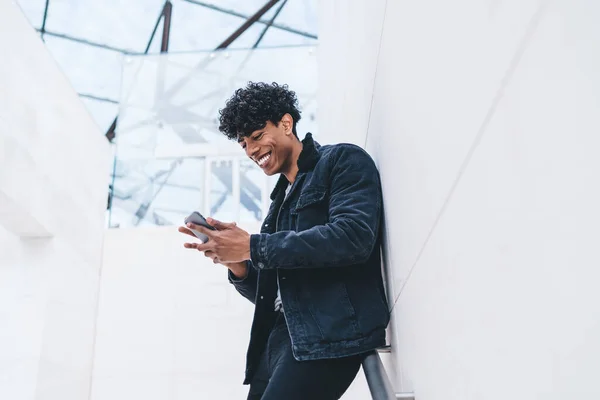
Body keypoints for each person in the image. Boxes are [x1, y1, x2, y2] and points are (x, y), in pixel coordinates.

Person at [178, 82, 389, 400]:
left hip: (325, 334)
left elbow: (353, 238)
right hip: (277, 342)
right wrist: (239, 266)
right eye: (244, 143)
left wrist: (252, 246)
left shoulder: (342, 161)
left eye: (257, 136)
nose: (251, 150)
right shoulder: (279, 204)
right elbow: (279, 290)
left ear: (286, 124)